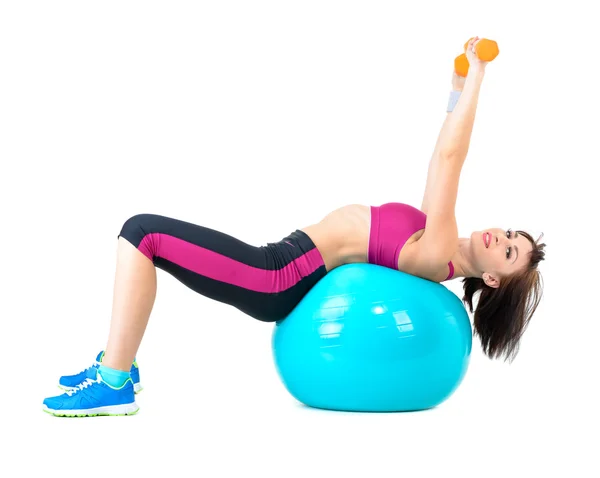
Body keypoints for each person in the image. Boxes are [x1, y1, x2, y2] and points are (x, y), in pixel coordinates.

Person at [43, 37, 545, 417]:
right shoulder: (439, 235)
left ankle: (114, 381)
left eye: (507, 253)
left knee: (141, 233)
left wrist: (479, 76)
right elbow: (438, 166)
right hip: (280, 261)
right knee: (145, 233)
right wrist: (455, 90)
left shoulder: (440, 255)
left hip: (276, 277)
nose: (500, 239)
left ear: (494, 280)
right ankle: (120, 362)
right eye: (509, 234)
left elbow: (450, 160)